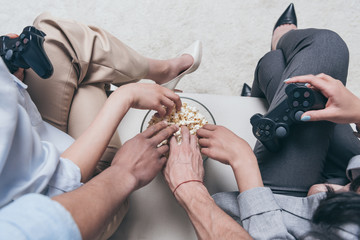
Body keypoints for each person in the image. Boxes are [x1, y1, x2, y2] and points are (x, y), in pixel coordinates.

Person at [162, 3, 360, 239]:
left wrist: (242, 161)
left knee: (278, 62)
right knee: (312, 53)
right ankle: (263, 93)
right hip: (344, 187)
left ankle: (268, 76)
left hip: (285, 219)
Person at [0, 13, 201, 239]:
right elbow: (59, 188)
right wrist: (124, 99)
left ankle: (163, 71)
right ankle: (123, 84)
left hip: (31, 129)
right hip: (73, 194)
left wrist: (8, 74)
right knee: (89, 81)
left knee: (53, 35)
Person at [23, 12, 201, 175]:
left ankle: (163, 71)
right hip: (67, 176)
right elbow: (62, 181)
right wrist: (124, 96)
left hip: (26, 124)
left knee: (48, 33)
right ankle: (165, 71)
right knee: (88, 75)